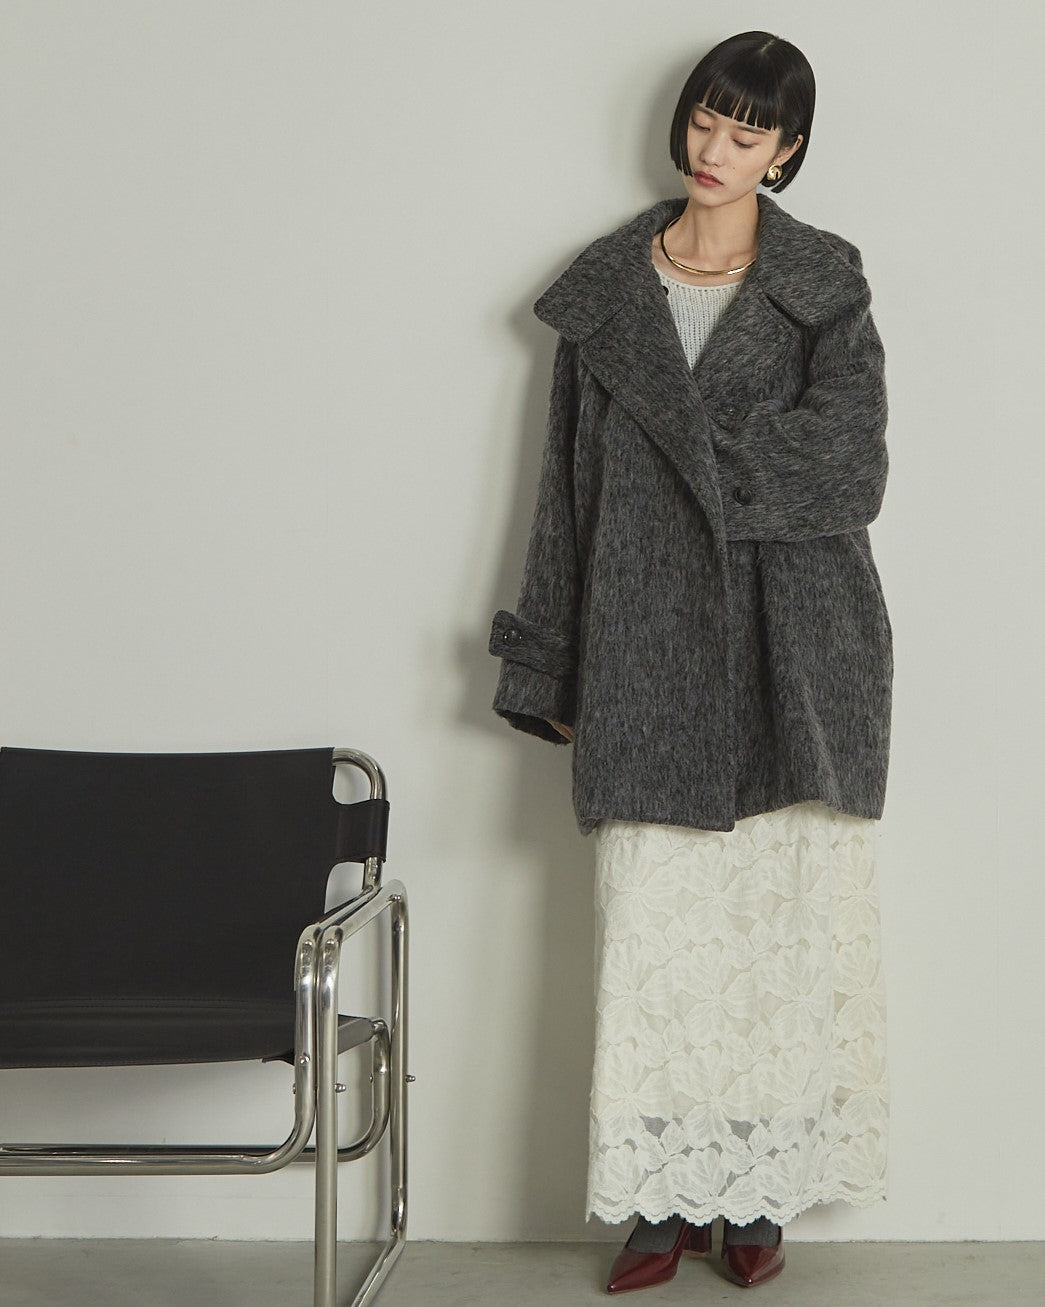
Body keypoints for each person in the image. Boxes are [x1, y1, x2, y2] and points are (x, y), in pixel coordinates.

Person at [487, 30, 891, 1293]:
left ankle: (756, 1197)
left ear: (788, 151)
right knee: (656, 939)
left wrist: (682, 466)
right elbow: (563, 491)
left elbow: (851, 466)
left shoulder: (823, 281)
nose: (715, 149)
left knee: (776, 937)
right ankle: (661, 1202)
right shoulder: (607, 294)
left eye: (746, 132)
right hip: (642, 642)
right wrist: (549, 668)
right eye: (704, 122)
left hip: (799, 644)